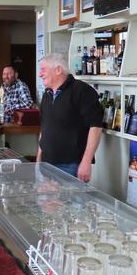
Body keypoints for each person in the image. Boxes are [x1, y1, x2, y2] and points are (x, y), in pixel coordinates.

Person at [37, 53, 103, 182]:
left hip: (71, 165)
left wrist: (86, 161)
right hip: (46, 162)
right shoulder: (47, 94)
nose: (40, 74)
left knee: (70, 202)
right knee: (47, 202)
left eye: (43, 70)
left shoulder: (82, 91)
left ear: (58, 70)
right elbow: (44, 128)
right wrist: (39, 155)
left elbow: (96, 127)